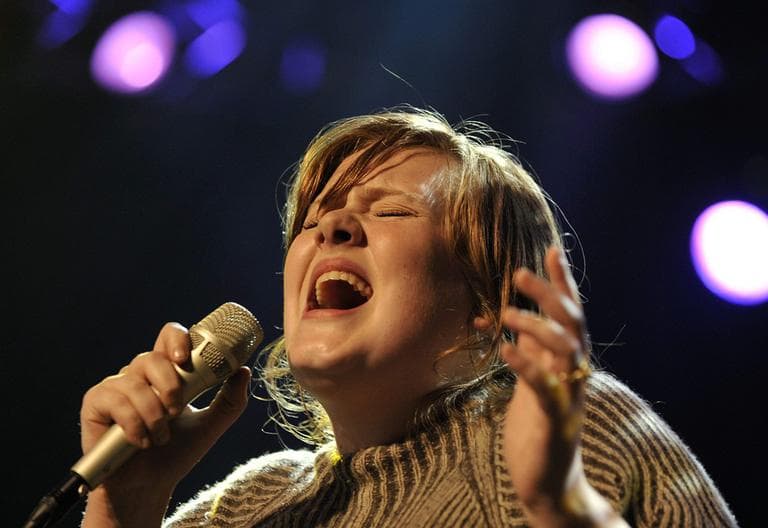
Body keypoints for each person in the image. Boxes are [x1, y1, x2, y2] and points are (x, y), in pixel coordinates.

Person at [78, 106, 738, 527]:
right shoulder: (247, 507)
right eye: (313, 221)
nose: (332, 225)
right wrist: (125, 503)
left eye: (391, 211)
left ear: (483, 309)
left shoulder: (572, 420)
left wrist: (562, 508)